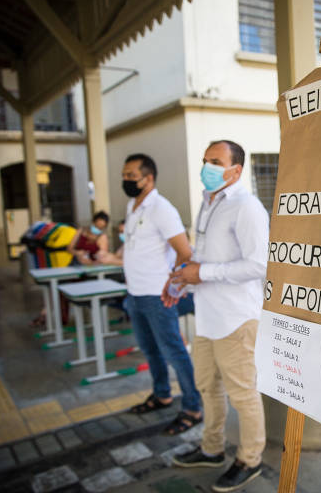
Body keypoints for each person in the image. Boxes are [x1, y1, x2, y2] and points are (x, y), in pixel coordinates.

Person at [167, 140, 269, 492]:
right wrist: (182, 277)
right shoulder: (209, 202)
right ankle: (211, 449)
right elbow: (205, 255)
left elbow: (259, 264)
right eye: (205, 160)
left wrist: (204, 273)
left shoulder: (247, 207)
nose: (206, 167)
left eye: (215, 161)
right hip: (207, 317)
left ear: (235, 170)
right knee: (208, 388)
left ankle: (250, 459)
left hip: (236, 319)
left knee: (243, 394)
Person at [121, 153, 203, 435]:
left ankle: (193, 407)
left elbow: (184, 251)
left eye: (131, 176)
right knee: (150, 350)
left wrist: (174, 284)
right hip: (135, 294)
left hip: (157, 295)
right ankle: (162, 394)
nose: (126, 180)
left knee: (174, 352)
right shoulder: (133, 205)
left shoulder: (162, 209)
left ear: (148, 178)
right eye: (124, 175)